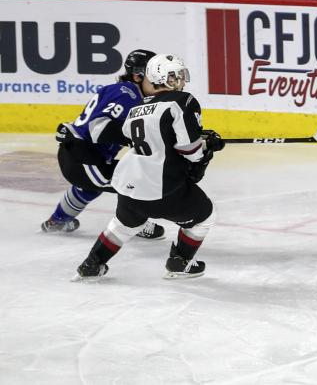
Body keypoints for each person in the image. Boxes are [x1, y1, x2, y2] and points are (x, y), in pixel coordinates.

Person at [72, 54, 225, 281]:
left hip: (130, 186)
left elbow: (155, 138)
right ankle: (179, 263)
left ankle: (91, 264)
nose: (181, 80)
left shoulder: (137, 108)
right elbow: (189, 152)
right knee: (205, 216)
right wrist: (208, 147)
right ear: (165, 77)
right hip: (164, 187)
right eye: (176, 75)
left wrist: (200, 139)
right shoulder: (183, 101)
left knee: (124, 225)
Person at [41, 49, 164, 240]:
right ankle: (135, 222)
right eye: (155, 77)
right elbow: (98, 128)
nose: (160, 82)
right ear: (137, 76)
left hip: (81, 156)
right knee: (135, 180)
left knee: (90, 187)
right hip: (82, 157)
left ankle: (57, 221)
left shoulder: (123, 91)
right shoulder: (128, 94)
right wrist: (138, 137)